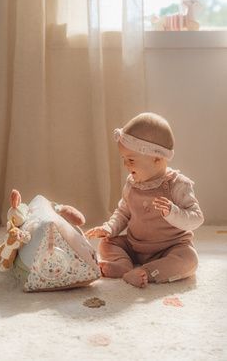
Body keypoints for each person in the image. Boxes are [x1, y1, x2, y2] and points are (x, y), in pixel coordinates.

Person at [85, 112, 204, 288]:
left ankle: (147, 272)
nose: (126, 165)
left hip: (170, 247)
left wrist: (173, 212)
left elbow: (197, 218)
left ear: (157, 159)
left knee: (189, 260)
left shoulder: (178, 185)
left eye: (131, 159)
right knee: (107, 244)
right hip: (135, 245)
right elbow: (123, 212)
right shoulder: (132, 183)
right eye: (124, 158)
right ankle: (123, 265)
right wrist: (109, 228)